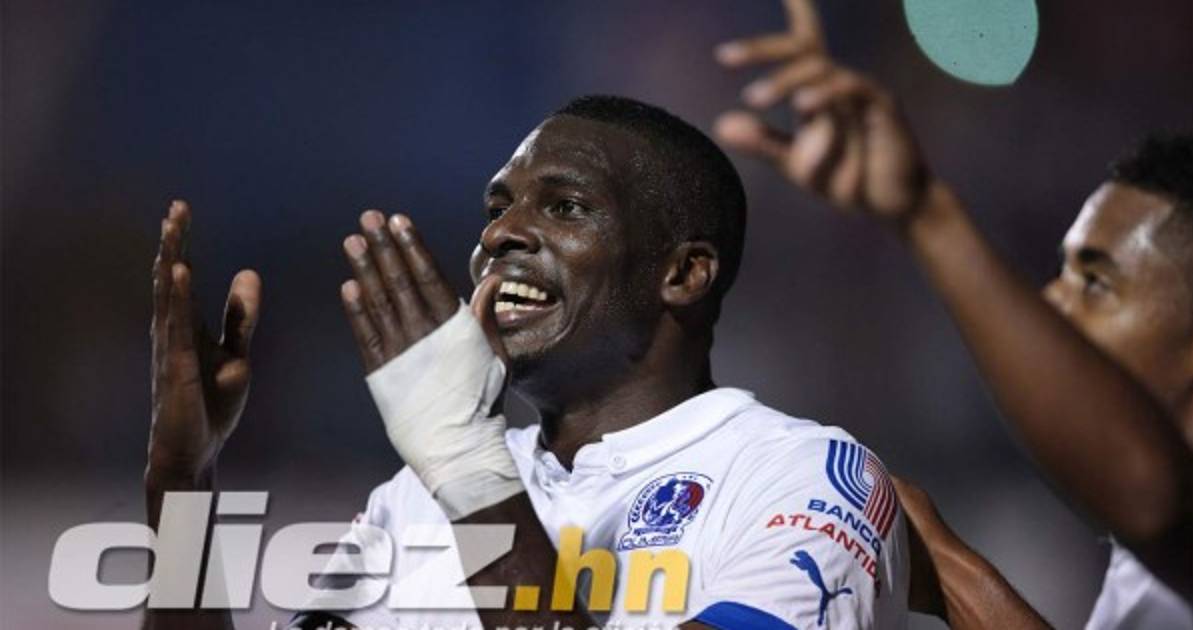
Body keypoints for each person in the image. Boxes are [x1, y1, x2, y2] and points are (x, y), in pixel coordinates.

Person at [142, 96, 911, 627]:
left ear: (683, 274)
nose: (498, 235)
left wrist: (466, 465)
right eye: (496, 208)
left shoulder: (798, 478)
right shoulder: (414, 502)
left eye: (565, 206)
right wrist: (182, 477)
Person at [711, 0, 1193, 627]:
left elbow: (1146, 495)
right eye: (1062, 272)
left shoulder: (1153, 509)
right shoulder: (1151, 567)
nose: (1050, 300)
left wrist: (924, 213)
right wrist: (941, 562)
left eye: (1096, 281)